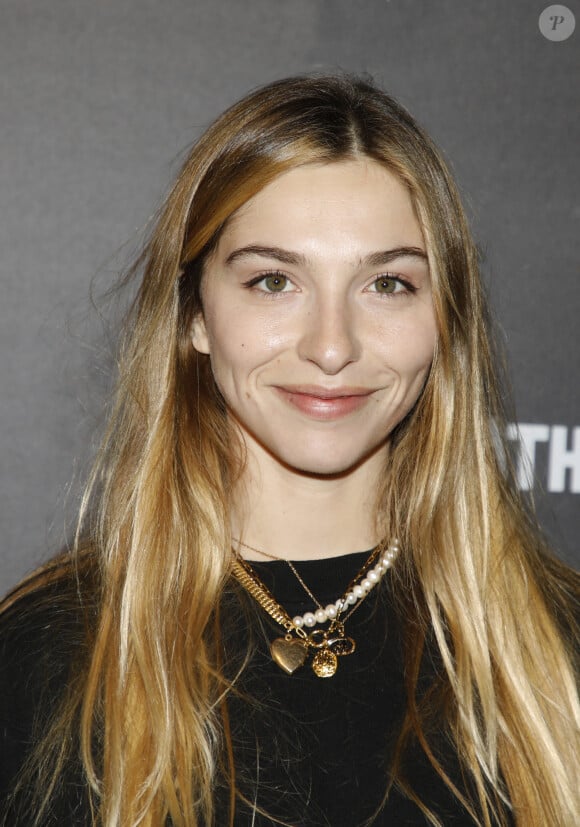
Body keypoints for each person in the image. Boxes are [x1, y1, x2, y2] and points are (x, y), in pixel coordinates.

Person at [0, 73, 578, 827]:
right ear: (195, 316)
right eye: (274, 280)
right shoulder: (48, 658)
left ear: (446, 321)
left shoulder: (557, 649)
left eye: (389, 284)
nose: (331, 346)